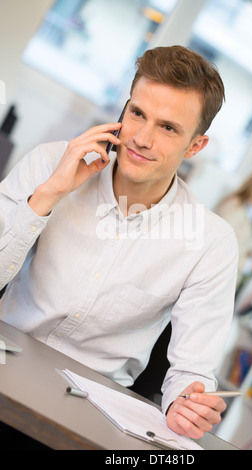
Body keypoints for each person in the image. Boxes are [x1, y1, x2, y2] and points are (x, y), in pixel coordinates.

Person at [0, 46, 238, 440]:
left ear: (195, 146)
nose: (142, 139)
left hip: (89, 411)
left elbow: (191, 372)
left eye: (168, 128)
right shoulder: (49, 163)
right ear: (124, 110)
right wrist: (47, 196)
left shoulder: (211, 243)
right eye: (138, 114)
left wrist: (186, 404)